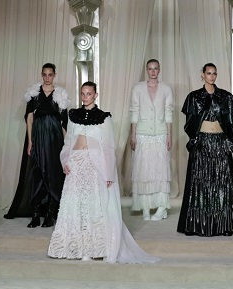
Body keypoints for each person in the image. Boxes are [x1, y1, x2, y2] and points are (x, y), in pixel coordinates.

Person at [47, 82, 159, 264]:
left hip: (94, 164)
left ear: (95, 95)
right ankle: (75, 248)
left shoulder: (103, 118)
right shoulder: (73, 115)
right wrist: (65, 160)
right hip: (75, 163)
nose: (85, 97)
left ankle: (91, 250)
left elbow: (108, 147)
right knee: (74, 205)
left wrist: (108, 173)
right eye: (83, 93)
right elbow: (68, 141)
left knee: (92, 206)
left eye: (89, 94)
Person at [177, 63, 233, 237]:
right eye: (208, 73)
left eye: (214, 73)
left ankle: (224, 225)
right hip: (202, 142)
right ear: (203, 75)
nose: (211, 76)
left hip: (220, 142)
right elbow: (189, 124)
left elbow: (230, 123)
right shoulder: (194, 97)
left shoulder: (226, 97)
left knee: (222, 183)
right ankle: (196, 225)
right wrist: (196, 140)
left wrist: (228, 140)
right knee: (200, 182)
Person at [5, 63, 69, 228]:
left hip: (54, 138)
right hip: (38, 137)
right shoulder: (34, 93)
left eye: (50, 74)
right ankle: (35, 214)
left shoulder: (60, 94)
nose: (47, 78)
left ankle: (50, 215)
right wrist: (30, 141)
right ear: (41, 75)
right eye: (44, 74)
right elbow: (29, 118)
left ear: (54, 75)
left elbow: (63, 122)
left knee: (53, 173)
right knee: (37, 173)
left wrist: (67, 146)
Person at [130, 59, 174, 221]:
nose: (153, 71)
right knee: (143, 171)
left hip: (160, 134)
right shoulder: (138, 88)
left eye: (155, 69)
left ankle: (161, 207)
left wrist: (169, 135)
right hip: (142, 134)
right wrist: (133, 135)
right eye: (150, 69)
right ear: (146, 70)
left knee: (160, 171)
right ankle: (146, 208)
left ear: (159, 70)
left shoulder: (166, 89)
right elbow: (134, 111)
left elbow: (169, 113)